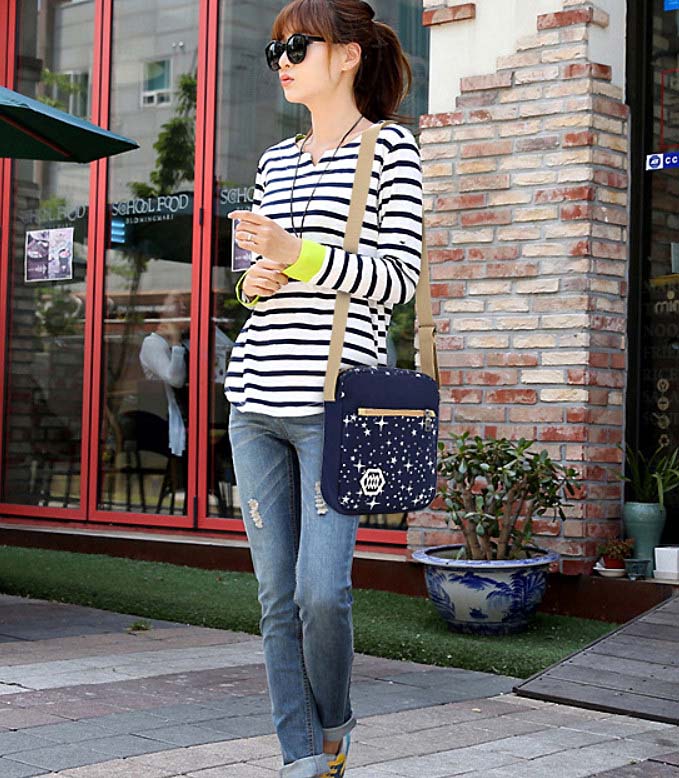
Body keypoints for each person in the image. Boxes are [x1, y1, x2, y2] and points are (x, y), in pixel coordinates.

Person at [225, 1, 422, 775]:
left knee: (320, 594)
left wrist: (298, 254)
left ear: (346, 55)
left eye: (297, 46)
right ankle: (300, 757)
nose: (282, 60)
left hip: (335, 406)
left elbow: (396, 281)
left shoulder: (390, 149)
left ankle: (333, 724)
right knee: (276, 598)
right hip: (254, 403)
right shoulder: (275, 160)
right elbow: (254, 280)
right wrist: (253, 280)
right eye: (275, 49)